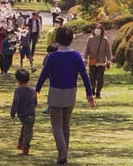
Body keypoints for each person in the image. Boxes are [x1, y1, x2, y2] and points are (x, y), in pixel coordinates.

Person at [35, 25, 95, 165]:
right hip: (71, 92)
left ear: (57, 40)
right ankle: (63, 152)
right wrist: (89, 93)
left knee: (56, 125)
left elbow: (44, 75)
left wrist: (37, 89)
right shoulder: (76, 56)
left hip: (56, 92)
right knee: (65, 125)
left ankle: (62, 153)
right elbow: (85, 76)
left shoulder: (52, 57)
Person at [11, 68, 37, 156]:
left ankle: (21, 143)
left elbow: (15, 102)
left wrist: (13, 112)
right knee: (28, 131)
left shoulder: (18, 91)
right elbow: (35, 101)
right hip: (30, 114)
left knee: (25, 127)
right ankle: (25, 148)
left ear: (17, 80)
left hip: (21, 114)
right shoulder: (32, 90)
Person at [83, 23, 112, 98]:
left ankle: (98, 92)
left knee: (100, 79)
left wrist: (109, 61)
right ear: (94, 30)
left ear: (102, 31)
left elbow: (108, 51)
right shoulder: (90, 39)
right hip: (92, 61)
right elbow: (87, 49)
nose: (97, 31)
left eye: (99, 30)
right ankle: (92, 90)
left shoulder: (105, 40)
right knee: (92, 77)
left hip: (101, 62)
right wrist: (85, 59)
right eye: (96, 29)